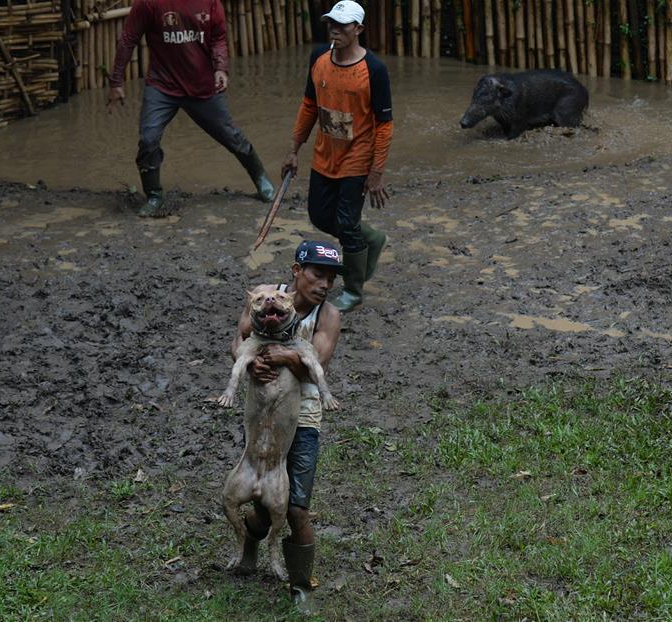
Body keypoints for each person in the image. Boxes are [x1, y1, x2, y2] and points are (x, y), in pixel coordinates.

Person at [230, 240, 342, 607]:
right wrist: (251, 363)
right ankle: (250, 547)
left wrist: (285, 355)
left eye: (331, 278)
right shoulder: (265, 296)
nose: (325, 284)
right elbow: (239, 339)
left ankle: (301, 587)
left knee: (296, 508)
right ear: (296, 271)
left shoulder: (328, 316)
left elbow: (316, 366)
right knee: (263, 504)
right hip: (263, 413)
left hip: (303, 418)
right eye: (317, 274)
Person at [106, 0, 275, 217]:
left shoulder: (210, 3)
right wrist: (116, 82)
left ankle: (260, 178)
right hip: (162, 86)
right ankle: (154, 195)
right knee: (148, 139)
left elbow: (218, 38)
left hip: (202, 87)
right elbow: (129, 38)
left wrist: (221, 68)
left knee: (231, 136)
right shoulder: (148, 3)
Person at [282, 0, 393, 312]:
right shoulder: (319, 59)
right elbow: (308, 106)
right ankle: (370, 239)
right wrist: (294, 150)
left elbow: (384, 126)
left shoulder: (374, 70)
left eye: (342, 25)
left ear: (358, 29)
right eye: (331, 22)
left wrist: (376, 171)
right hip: (324, 154)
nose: (335, 29)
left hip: (357, 158)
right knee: (319, 215)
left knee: (345, 224)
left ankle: (353, 291)